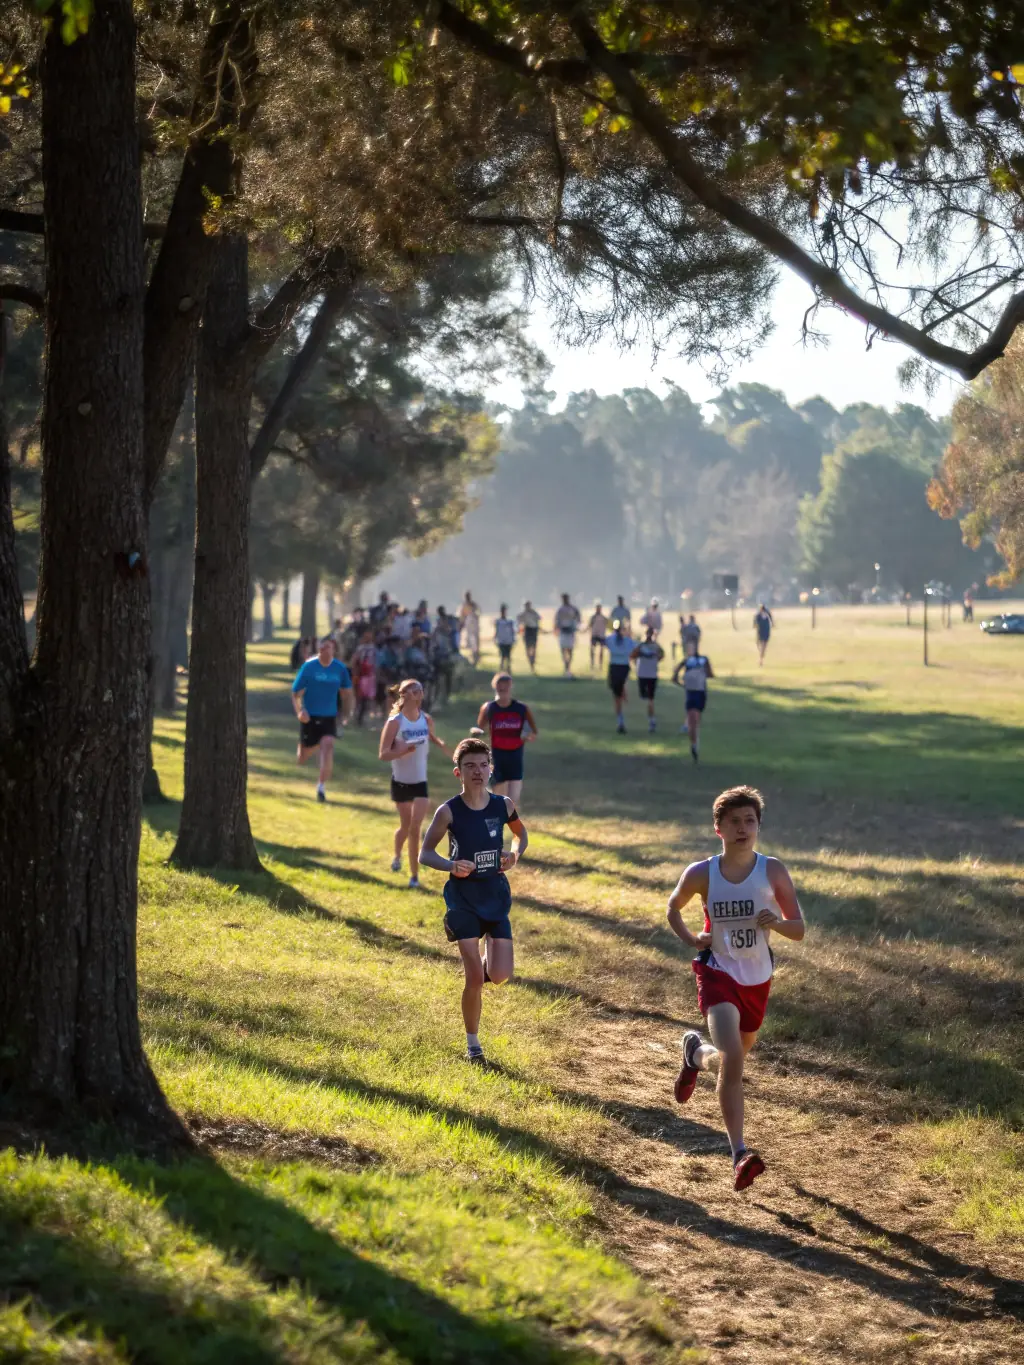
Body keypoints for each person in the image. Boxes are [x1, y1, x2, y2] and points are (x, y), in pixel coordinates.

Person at [666, 786, 805, 1190]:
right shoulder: (702, 873)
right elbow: (672, 907)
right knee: (734, 1059)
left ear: (759, 826)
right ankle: (740, 1153)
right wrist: (693, 938)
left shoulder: (772, 870)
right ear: (718, 828)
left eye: (750, 821)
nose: (743, 828)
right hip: (718, 973)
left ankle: (693, 1054)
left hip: (757, 978)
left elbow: (798, 929)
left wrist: (775, 922)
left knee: (731, 1059)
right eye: (734, 822)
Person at [419, 737, 529, 1064]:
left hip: (495, 895)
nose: (478, 771)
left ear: (491, 768)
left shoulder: (504, 805)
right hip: (462, 899)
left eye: (483, 765)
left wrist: (515, 855)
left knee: (500, 974)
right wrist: (451, 865)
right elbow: (425, 853)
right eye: (470, 766)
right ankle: (473, 1044)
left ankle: (483, 968)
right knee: (472, 979)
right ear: (458, 772)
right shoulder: (448, 811)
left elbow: (521, 835)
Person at [378, 678, 449, 889]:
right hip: (400, 782)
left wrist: (442, 745)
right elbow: (383, 754)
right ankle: (397, 855)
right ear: (406, 695)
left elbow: (429, 736)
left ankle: (414, 876)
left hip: (420, 781)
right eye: (416, 690)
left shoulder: (426, 719)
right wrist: (402, 750)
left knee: (415, 829)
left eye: (421, 689)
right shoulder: (395, 722)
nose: (421, 693)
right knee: (405, 826)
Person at [291, 636, 353, 802]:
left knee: (328, 744)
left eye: (328, 647)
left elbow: (347, 694)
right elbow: (295, 693)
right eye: (322, 647)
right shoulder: (309, 666)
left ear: (334, 650)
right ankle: (312, 744)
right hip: (309, 716)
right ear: (318, 648)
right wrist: (299, 712)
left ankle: (321, 787)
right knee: (302, 758)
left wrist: (346, 715)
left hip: (329, 717)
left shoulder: (340, 669)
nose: (325, 650)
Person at [476, 672, 538, 807]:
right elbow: (479, 730)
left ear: (511, 687)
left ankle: (502, 823)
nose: (503, 689)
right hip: (496, 756)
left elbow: (533, 732)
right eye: (500, 686)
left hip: (516, 756)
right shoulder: (489, 708)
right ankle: (496, 825)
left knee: (513, 800)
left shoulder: (521, 709)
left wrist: (527, 736)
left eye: (506, 686)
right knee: (498, 798)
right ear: (495, 687)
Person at [672, 638, 714, 762]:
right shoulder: (685, 661)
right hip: (691, 693)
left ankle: (695, 741)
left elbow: (710, 674)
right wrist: (684, 684)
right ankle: (694, 744)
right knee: (692, 718)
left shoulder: (703, 660)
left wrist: (700, 674)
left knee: (696, 719)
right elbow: (674, 676)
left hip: (700, 692)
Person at [604, 618, 635, 733]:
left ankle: (620, 720)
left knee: (616, 696)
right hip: (624, 667)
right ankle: (623, 693)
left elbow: (604, 642)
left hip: (615, 667)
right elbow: (635, 649)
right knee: (618, 692)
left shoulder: (611, 639)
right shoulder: (628, 641)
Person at [631, 627, 665, 733]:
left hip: (648, 674)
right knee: (645, 697)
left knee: (649, 698)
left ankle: (651, 719)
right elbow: (633, 655)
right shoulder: (642, 646)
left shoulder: (654, 646)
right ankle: (649, 716)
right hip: (645, 674)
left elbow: (661, 655)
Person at [350, 626, 378, 727]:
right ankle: (357, 717)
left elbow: (375, 662)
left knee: (368, 698)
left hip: (370, 676)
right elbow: (354, 661)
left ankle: (363, 717)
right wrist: (355, 672)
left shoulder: (373, 648)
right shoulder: (360, 648)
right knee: (359, 698)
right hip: (361, 675)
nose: (368, 636)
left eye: (370, 634)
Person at [554, 593, 581, 678]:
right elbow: (557, 620)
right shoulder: (560, 609)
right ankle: (566, 667)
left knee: (570, 650)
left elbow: (578, 617)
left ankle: (568, 667)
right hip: (563, 631)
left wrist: (576, 625)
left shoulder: (573, 608)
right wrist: (556, 629)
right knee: (563, 650)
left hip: (570, 631)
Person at [517, 601, 541, 673]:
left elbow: (538, 618)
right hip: (527, 631)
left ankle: (532, 662)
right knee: (528, 648)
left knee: (533, 648)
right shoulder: (523, 614)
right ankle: (531, 662)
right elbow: (519, 619)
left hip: (533, 631)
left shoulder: (533, 613)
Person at [460, 591, 481, 666]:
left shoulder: (473, 605)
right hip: (469, 627)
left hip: (474, 626)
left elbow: (478, 612)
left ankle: (476, 657)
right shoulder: (464, 605)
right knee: (472, 642)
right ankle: (474, 657)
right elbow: (462, 616)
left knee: (475, 642)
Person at [494, 603, 516, 670]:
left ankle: (508, 669)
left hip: (508, 641)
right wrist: (495, 638)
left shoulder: (510, 621)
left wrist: (513, 639)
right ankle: (502, 669)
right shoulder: (498, 621)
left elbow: (512, 631)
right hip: (501, 641)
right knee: (503, 656)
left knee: (508, 656)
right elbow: (496, 631)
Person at [588, 602, 609, 670]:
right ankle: (592, 664)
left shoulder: (604, 618)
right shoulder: (593, 617)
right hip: (594, 635)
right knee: (592, 650)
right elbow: (590, 625)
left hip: (601, 635)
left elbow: (608, 625)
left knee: (601, 650)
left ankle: (600, 665)